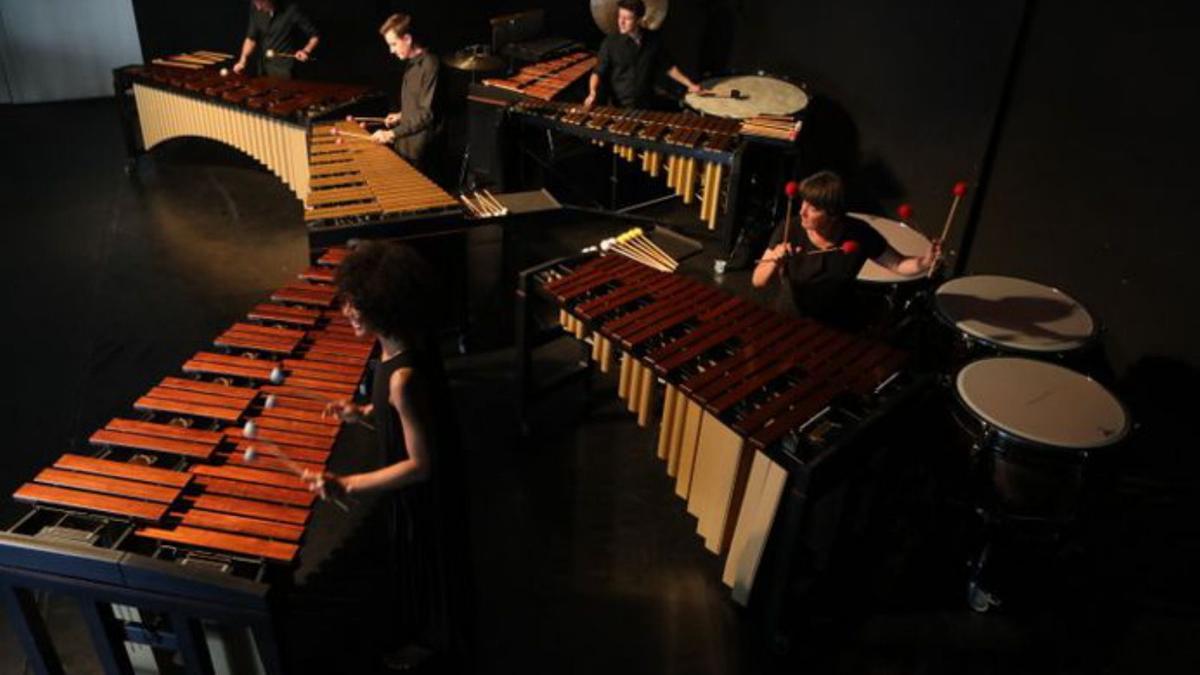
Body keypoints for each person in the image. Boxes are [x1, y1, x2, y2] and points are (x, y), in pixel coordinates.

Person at [305, 242, 471, 671]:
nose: (347, 313)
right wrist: (361, 412)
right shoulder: (397, 347)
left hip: (425, 496)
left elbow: (421, 464)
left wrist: (348, 483)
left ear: (383, 307)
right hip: (414, 486)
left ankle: (431, 644)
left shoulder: (404, 379)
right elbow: (398, 416)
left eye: (355, 305)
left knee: (426, 566)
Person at [752, 170, 942, 329]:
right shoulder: (790, 229)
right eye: (804, 202)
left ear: (833, 214)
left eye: (814, 208)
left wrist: (926, 261)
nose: (803, 211)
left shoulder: (858, 233)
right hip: (790, 318)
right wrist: (774, 261)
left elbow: (899, 264)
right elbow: (757, 280)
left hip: (837, 325)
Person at [584, 0, 705, 110]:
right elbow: (597, 72)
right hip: (621, 106)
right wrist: (592, 92)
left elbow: (668, 67)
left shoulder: (652, 40)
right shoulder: (610, 43)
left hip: (647, 103)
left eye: (627, 18)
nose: (621, 22)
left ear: (638, 20)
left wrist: (690, 85)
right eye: (620, 16)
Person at [369, 13, 442, 169]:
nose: (391, 50)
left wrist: (391, 134)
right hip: (404, 145)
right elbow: (417, 105)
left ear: (407, 39)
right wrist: (401, 116)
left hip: (420, 151)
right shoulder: (411, 64)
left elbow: (427, 114)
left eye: (394, 44)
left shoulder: (430, 64)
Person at [232, 0, 319, 79]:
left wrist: (306, 50)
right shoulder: (255, 6)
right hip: (263, 68)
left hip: (285, 70)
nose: (258, 8)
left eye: (261, 3)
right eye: (255, 3)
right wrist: (242, 61)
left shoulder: (291, 10)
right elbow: (251, 38)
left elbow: (315, 36)